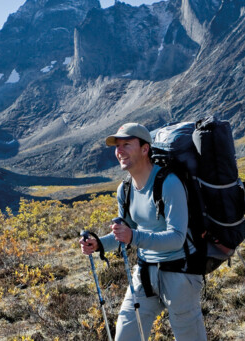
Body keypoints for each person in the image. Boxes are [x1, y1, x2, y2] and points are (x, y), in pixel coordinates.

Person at [79, 123, 207, 340]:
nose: (119, 151)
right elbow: (125, 235)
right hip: (145, 274)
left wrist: (134, 237)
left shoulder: (169, 183)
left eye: (127, 144)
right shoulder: (125, 189)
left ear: (145, 149)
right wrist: (99, 244)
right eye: (117, 146)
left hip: (180, 274)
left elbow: (177, 238)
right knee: (126, 335)